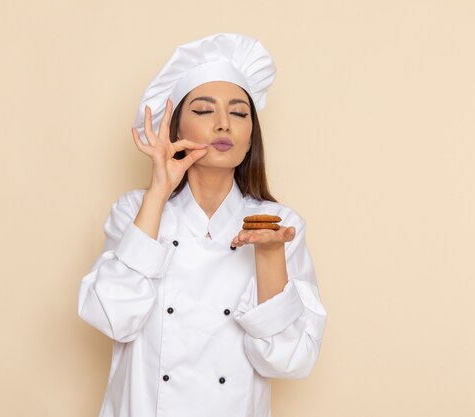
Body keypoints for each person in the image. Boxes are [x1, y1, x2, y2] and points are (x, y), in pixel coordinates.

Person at [78, 33, 327, 417]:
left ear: (250, 138)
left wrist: (270, 254)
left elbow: (290, 360)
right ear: (175, 129)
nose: (224, 124)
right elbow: (113, 317)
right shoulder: (135, 210)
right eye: (204, 110)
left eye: (239, 113)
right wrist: (159, 192)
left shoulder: (281, 226)